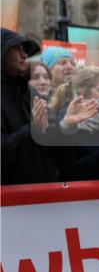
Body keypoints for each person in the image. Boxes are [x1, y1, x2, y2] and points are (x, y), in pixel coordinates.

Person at [1, 29, 60, 185]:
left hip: (43, 189)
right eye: (17, 49)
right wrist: (32, 130)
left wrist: (65, 124)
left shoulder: (28, 93)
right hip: (12, 194)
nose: (24, 55)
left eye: (25, 50)